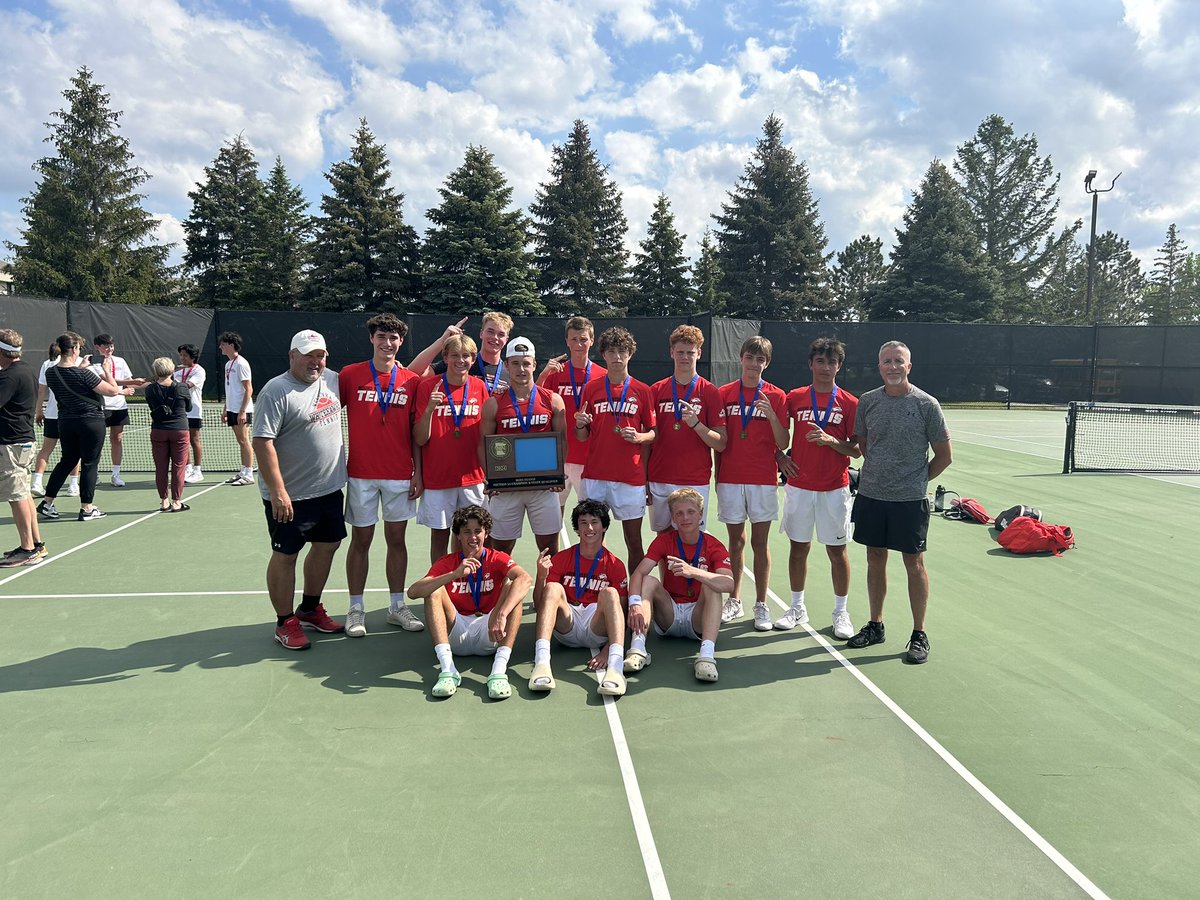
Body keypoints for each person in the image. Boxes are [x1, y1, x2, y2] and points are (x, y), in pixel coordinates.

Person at [338, 313, 446, 637]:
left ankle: (397, 606)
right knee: (361, 540)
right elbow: (327, 412)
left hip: (399, 474)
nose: (387, 343)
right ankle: (356, 608)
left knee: (396, 541)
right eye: (382, 337)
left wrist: (417, 473)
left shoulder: (410, 380)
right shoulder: (350, 375)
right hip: (361, 474)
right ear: (372, 338)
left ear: (401, 342)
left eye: (393, 338)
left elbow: (416, 432)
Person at [846, 341, 952, 665]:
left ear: (909, 366)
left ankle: (919, 633)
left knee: (914, 564)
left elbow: (944, 456)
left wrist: (916, 481)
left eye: (898, 361)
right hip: (872, 496)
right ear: (879, 367)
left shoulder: (926, 404)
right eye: (887, 361)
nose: (893, 366)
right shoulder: (868, 402)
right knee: (874, 558)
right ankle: (875, 625)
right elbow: (865, 446)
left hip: (909, 502)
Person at [252, 330, 347, 651]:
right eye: (308, 355)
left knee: (327, 545)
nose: (315, 362)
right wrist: (278, 491)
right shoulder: (275, 391)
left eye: (320, 355)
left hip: (329, 489)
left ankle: (309, 608)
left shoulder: (332, 380)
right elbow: (262, 442)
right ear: (292, 356)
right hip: (290, 496)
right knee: (286, 555)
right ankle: (284, 621)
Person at [775, 338, 861, 637]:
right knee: (798, 549)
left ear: (839, 366)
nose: (826, 367)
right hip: (799, 486)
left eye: (832, 362)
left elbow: (856, 450)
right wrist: (779, 457)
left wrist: (831, 441)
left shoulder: (850, 403)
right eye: (820, 361)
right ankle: (797, 607)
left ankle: (840, 612)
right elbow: (774, 432)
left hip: (834, 488)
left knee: (837, 552)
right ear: (811, 364)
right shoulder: (795, 397)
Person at [408, 505, 532, 700]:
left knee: (513, 587)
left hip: (491, 629)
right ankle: (448, 670)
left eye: (477, 531)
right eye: (467, 531)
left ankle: (499, 671)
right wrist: (454, 574)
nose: (473, 537)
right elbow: (413, 592)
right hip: (457, 632)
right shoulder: (448, 562)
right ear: (458, 536)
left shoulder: (497, 558)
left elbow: (525, 579)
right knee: (434, 590)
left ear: (486, 533)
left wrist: (501, 615)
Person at [714, 336, 789, 631]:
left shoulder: (777, 396)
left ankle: (761, 604)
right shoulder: (724, 393)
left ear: (766, 363)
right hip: (731, 479)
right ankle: (735, 599)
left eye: (760, 359)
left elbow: (783, 441)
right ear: (741, 358)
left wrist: (771, 415)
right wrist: (718, 477)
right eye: (750, 357)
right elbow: (719, 440)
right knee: (736, 541)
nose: (754, 364)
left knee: (760, 543)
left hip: (762, 479)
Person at [626, 488, 735, 682]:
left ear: (701, 514)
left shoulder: (713, 545)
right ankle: (638, 648)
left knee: (713, 585)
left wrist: (693, 571)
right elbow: (639, 573)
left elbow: (728, 584)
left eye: (691, 512)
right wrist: (634, 604)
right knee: (648, 580)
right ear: (673, 518)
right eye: (679, 513)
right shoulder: (664, 541)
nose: (685, 518)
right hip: (669, 613)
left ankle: (706, 656)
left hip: (697, 618)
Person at [574, 327, 655, 572]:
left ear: (630, 354)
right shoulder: (591, 388)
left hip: (629, 477)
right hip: (596, 476)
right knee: (591, 540)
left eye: (622, 351)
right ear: (603, 355)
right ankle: (595, 586)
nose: (617, 357)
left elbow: (654, 433)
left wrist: (639, 436)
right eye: (611, 351)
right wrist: (580, 424)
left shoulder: (642, 390)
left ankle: (635, 591)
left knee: (634, 541)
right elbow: (582, 436)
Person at [529, 499, 628, 697]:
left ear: (604, 526)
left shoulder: (615, 565)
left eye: (594, 522)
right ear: (577, 528)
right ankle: (541, 663)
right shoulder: (561, 558)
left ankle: (616, 668)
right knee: (553, 587)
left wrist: (607, 649)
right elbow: (540, 606)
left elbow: (622, 612)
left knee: (610, 593)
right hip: (568, 624)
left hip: (596, 626)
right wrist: (541, 577)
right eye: (583, 522)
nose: (589, 528)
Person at [479, 336, 566, 555]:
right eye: (515, 363)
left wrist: (558, 475)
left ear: (534, 365)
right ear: (506, 365)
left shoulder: (553, 400)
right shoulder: (493, 403)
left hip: (543, 488)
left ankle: (547, 581)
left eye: (526, 363)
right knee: (501, 551)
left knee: (549, 550)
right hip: (506, 489)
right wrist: (490, 478)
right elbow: (483, 445)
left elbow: (562, 441)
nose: (521, 369)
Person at [38, 332, 133, 522]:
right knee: (90, 463)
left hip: (66, 422)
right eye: (79, 348)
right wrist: (106, 370)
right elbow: (113, 390)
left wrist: (81, 368)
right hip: (90, 422)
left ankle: (47, 503)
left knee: (67, 461)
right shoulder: (84, 374)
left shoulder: (51, 372)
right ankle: (87, 508)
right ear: (74, 349)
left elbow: (70, 378)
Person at [414, 334, 489, 563]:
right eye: (454, 355)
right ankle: (441, 582)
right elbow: (419, 439)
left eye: (466, 356)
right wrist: (429, 410)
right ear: (445, 358)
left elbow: (486, 435)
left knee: (470, 536)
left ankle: (466, 580)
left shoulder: (479, 387)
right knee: (439, 537)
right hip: (438, 478)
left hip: (473, 478)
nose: (460, 360)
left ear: (473, 359)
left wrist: (491, 474)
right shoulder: (428, 387)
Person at [646, 324, 727, 533]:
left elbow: (721, 443)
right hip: (659, 477)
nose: (685, 357)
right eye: (680, 352)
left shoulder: (710, 392)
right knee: (663, 538)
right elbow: (647, 440)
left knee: (692, 538)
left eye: (690, 352)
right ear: (671, 352)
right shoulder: (655, 390)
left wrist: (696, 425)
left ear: (699, 353)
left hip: (694, 480)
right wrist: (643, 478)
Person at [537, 315, 607, 509]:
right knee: (553, 516)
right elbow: (535, 404)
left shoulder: (603, 376)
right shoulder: (555, 373)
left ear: (591, 341)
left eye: (583, 339)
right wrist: (543, 375)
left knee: (592, 515)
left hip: (589, 459)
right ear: (567, 341)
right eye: (574, 339)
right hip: (558, 457)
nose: (579, 344)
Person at [0, 329, 46, 567]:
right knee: (23, 494)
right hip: (21, 441)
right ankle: (36, 544)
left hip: (12, 444)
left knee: (17, 496)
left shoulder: (9, 377)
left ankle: (27, 549)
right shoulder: (25, 369)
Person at [90, 333, 145, 487]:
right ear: (98, 347)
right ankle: (94, 474)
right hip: (101, 406)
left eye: (112, 346)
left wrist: (150, 383)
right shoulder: (93, 363)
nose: (110, 349)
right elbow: (106, 381)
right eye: (106, 346)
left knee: (117, 438)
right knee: (97, 441)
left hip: (119, 406)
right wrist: (125, 389)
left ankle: (116, 475)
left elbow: (129, 382)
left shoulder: (120, 361)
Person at [32, 340, 80, 499]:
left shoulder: (47, 364)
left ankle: (37, 482)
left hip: (53, 415)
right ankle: (73, 485)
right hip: (69, 416)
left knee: (46, 449)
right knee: (74, 451)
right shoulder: (78, 363)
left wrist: (39, 411)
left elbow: (41, 392)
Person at [145, 357, 192, 513]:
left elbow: (152, 406)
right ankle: (176, 501)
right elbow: (189, 407)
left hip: (158, 430)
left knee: (161, 467)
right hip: (180, 430)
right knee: (179, 466)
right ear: (172, 370)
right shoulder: (182, 387)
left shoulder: (150, 389)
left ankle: (164, 501)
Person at [431, 311, 512, 393]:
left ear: (506, 339)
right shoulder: (463, 362)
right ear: (481, 333)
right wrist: (442, 340)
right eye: (490, 332)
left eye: (501, 334)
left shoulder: (511, 372)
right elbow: (422, 371)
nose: (495, 337)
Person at [220, 331, 255, 486]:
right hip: (232, 408)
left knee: (244, 440)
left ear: (231, 345)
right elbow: (230, 388)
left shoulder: (241, 363)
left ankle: (249, 474)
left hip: (243, 410)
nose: (220, 347)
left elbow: (249, 389)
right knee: (240, 440)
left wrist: (242, 411)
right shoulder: (228, 364)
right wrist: (225, 409)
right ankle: (243, 471)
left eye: (223, 344)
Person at [175, 344, 206, 483]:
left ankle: (197, 471)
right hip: (180, 411)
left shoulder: (199, 371)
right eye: (181, 355)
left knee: (194, 440)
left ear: (193, 357)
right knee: (183, 440)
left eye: (185, 355)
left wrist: (169, 383)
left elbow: (186, 385)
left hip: (193, 410)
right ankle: (187, 468)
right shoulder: (178, 371)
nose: (182, 358)